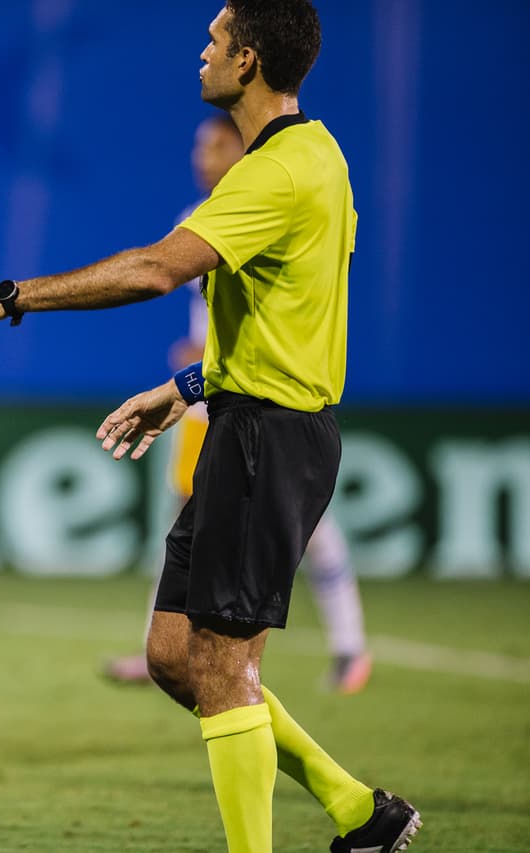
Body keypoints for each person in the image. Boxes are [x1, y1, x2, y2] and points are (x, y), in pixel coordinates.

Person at [0, 3, 420, 851]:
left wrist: (7, 297)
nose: (204, 52)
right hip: (243, 418)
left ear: (250, 61)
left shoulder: (275, 172)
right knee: (174, 656)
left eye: (217, 41)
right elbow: (283, 318)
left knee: (226, 669)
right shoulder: (316, 154)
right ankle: (357, 809)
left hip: (272, 435)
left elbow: (157, 269)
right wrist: (186, 386)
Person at [104, 113, 372, 696]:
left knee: (309, 527)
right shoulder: (193, 221)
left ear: (240, 148)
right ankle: (163, 645)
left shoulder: (272, 196)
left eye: (216, 144)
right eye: (199, 145)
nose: (202, 157)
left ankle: (350, 644)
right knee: (185, 522)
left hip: (267, 401)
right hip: (208, 395)